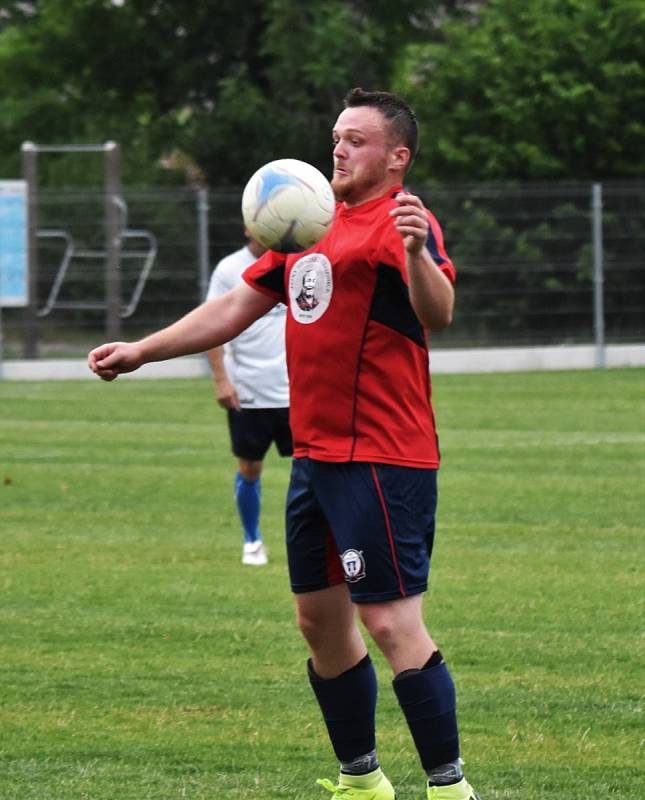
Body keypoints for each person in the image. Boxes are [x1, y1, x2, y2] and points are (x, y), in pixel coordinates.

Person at [88, 88, 483, 800]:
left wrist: (420, 253)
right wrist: (144, 350)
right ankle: (360, 780)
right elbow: (235, 305)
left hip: (382, 456)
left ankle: (449, 787)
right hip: (317, 457)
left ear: (397, 156)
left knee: (391, 622)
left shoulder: (402, 222)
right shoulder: (306, 229)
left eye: (356, 140)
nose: (338, 148)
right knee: (319, 622)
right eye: (335, 136)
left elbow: (439, 312)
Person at [205, 231, 292, 566]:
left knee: (315, 469)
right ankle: (252, 540)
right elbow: (213, 323)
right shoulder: (230, 269)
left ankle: (325, 541)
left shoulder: (297, 261)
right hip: (249, 391)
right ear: (249, 226)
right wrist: (222, 380)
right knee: (250, 466)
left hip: (296, 391)